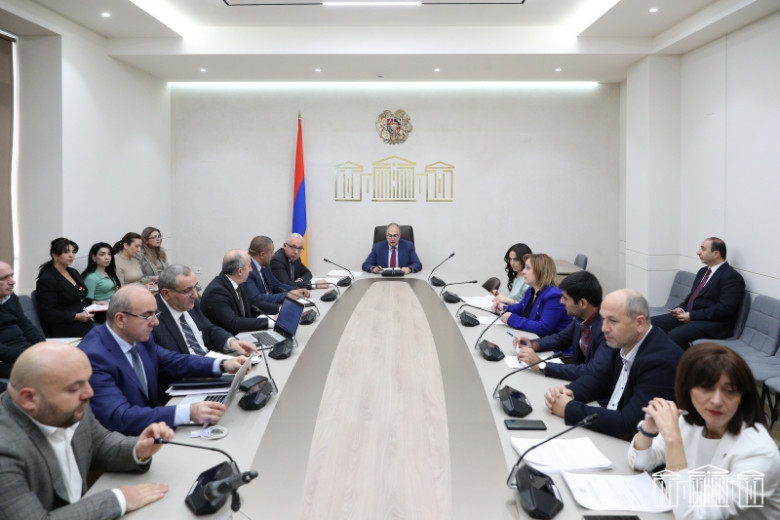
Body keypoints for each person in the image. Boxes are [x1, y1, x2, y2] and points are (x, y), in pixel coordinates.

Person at [0, 341, 173, 519]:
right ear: (28, 399)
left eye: (87, 381)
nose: (89, 393)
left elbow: (100, 443)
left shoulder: (70, 404)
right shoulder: (4, 450)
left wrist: (138, 449)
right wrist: (119, 499)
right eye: (74, 388)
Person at [629, 343, 780, 519]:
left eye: (729, 391)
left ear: (741, 398)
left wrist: (673, 439)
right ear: (687, 389)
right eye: (707, 388)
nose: (716, 401)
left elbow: (694, 516)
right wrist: (648, 430)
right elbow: (640, 462)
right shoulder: (691, 423)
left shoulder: (760, 453)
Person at [78, 285, 250, 435]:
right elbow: (119, 417)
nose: (156, 322)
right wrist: (187, 413)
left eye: (156, 314)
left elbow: (172, 361)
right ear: (121, 319)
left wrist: (223, 364)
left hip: (154, 427)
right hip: (127, 442)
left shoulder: (138, 336)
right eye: (147, 316)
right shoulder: (94, 357)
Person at [544, 289, 683, 440]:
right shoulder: (626, 339)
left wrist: (568, 408)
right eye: (603, 319)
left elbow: (631, 424)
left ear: (639, 323)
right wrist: (569, 392)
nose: (604, 328)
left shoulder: (661, 362)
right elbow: (601, 378)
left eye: (613, 321)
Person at [515, 270, 616, 380]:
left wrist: (541, 365)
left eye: (565, 298)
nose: (561, 302)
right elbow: (561, 339)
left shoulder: (607, 330)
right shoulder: (582, 317)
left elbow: (591, 371)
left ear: (582, 303)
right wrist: (533, 344)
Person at [651, 237, 745, 349]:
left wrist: (692, 316)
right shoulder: (703, 271)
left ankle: (681, 360)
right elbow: (693, 297)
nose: (698, 252)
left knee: (675, 335)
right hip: (692, 317)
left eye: (703, 249)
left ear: (716, 254)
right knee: (650, 323)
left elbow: (724, 309)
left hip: (713, 324)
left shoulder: (732, 277)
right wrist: (681, 309)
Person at [153, 264, 257, 356]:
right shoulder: (153, 320)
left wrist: (231, 342)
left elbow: (209, 329)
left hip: (212, 360)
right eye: (187, 291)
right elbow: (169, 362)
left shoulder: (190, 303)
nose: (195, 295)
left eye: (195, 287)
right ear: (166, 293)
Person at [496, 254, 571, 337]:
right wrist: (502, 308)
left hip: (550, 343)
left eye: (528, 268)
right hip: (531, 337)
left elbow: (543, 327)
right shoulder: (531, 290)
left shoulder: (554, 296)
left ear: (540, 271)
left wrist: (512, 319)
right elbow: (521, 308)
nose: (523, 272)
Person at [35, 237, 95, 337]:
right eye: (66, 252)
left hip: (82, 321)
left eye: (73, 252)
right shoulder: (47, 279)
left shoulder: (73, 272)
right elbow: (47, 312)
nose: (71, 255)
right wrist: (76, 316)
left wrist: (94, 302)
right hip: (64, 326)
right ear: (55, 255)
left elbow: (79, 297)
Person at [201, 250, 272, 334]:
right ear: (240, 271)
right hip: (227, 339)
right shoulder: (216, 292)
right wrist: (270, 322)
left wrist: (280, 310)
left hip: (242, 335)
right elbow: (234, 323)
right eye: (249, 266)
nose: (251, 269)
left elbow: (254, 303)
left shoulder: (239, 281)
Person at [0, 260, 45, 378]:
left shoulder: (10, 297)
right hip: (5, 360)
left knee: (68, 359)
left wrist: (43, 347)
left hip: (24, 351)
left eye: (12, 275)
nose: (12, 281)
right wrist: (29, 354)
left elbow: (25, 324)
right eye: (4, 278)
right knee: (48, 372)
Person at [246, 235, 310, 314]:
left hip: (272, 306)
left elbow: (276, 284)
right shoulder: (247, 270)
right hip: (259, 313)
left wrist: (296, 290)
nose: (273, 254)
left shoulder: (265, 265)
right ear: (262, 255)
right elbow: (257, 298)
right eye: (271, 252)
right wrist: (287, 295)